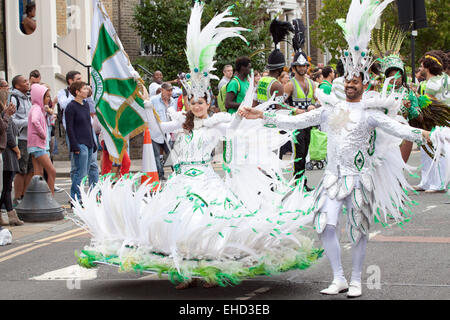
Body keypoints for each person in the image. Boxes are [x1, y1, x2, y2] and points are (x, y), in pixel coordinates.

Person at [73, 2, 320, 290]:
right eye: (194, 102)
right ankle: (185, 272)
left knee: (206, 226)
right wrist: (143, 105)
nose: (198, 106)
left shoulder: (216, 122)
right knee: (178, 224)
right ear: (189, 102)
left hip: (206, 181)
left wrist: (240, 115)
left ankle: (209, 270)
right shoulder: (181, 122)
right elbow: (155, 130)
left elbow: (233, 130)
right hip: (180, 182)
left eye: (202, 102)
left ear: (207, 103)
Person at [240, 0, 434, 298]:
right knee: (324, 224)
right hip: (332, 177)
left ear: (364, 82)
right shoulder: (329, 108)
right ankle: (338, 277)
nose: (351, 84)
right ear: (344, 82)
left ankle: (356, 278)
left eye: (356, 81)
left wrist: (428, 135)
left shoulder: (371, 113)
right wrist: (262, 114)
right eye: (348, 80)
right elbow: (297, 120)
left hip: (359, 178)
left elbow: (400, 129)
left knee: (358, 229)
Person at [283, 50, 317, 190]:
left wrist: (313, 105)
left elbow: (318, 100)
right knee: (299, 153)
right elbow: (279, 103)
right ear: (294, 67)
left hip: (308, 123)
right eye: (300, 66)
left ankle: (301, 181)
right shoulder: (290, 84)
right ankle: (299, 183)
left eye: (304, 66)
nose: (302, 68)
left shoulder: (312, 83)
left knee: (305, 152)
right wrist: (294, 110)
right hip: (296, 124)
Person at [65, 81, 97, 203]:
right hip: (80, 144)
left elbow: (88, 126)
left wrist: (93, 143)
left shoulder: (85, 105)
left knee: (86, 172)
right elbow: (70, 128)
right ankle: (76, 198)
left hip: (88, 143)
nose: (87, 90)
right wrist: (74, 146)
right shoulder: (71, 107)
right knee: (80, 173)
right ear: (77, 92)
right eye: (84, 88)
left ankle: (82, 196)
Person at [27, 84, 56, 195]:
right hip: (38, 145)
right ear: (40, 96)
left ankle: (39, 199)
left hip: (35, 145)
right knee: (51, 171)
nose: (49, 98)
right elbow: (35, 121)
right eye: (47, 96)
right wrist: (43, 134)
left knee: (38, 173)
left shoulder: (38, 108)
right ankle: (50, 198)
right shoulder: (36, 108)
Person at [0, 90, 23, 227]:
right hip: (8, 154)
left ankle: (10, 215)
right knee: (6, 187)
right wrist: (17, 149)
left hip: (8, 154)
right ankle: (10, 215)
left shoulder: (5, 114)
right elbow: (7, 133)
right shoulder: (4, 114)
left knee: (7, 187)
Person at [9, 75, 33, 207]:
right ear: (17, 86)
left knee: (31, 169)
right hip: (22, 139)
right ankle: (17, 197)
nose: (27, 83)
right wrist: (28, 122)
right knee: (21, 170)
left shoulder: (29, 97)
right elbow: (11, 121)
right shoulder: (14, 98)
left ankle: (25, 196)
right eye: (24, 81)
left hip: (32, 138)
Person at [150, 82, 176, 180]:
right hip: (155, 132)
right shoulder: (153, 100)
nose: (170, 92)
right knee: (156, 155)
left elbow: (173, 116)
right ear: (162, 90)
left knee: (172, 153)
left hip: (167, 132)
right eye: (168, 90)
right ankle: (160, 175)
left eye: (171, 90)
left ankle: (177, 172)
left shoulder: (172, 101)